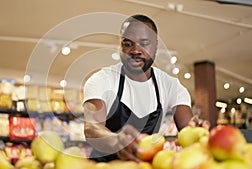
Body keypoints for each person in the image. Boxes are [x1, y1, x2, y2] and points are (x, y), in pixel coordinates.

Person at [82, 14, 205, 162]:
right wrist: (116, 142)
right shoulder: (102, 80)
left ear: (155, 46)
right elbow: (91, 128)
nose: (135, 50)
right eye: (128, 44)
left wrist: (198, 131)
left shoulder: (170, 86)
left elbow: (188, 131)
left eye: (144, 43)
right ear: (120, 46)